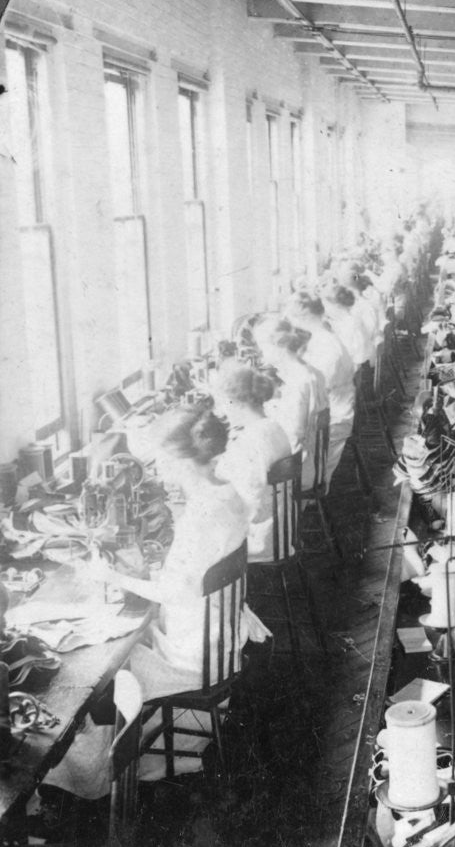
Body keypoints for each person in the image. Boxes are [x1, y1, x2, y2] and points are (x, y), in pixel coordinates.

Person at [50, 407, 254, 792]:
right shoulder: (228, 494)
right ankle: (105, 767)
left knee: (104, 675)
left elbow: (174, 591)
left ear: (178, 459)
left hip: (192, 654)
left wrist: (111, 574)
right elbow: (194, 573)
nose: (159, 470)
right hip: (221, 637)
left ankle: (96, 780)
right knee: (122, 649)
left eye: (161, 460)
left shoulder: (199, 514)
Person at [213, 363, 292, 563]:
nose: (222, 411)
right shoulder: (274, 427)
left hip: (260, 540)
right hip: (282, 530)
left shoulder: (249, 442)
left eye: (223, 403)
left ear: (237, 403)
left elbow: (248, 501)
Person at [287, 292, 357, 494]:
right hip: (335, 408)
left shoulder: (326, 346)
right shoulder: (323, 336)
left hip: (333, 419)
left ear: (304, 317)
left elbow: (316, 391)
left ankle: (295, 508)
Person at [259, 320, 328, 491]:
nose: (261, 353)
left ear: (279, 346)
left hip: (298, 468)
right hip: (314, 461)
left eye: (263, 347)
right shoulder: (311, 371)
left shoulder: (297, 381)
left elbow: (294, 433)